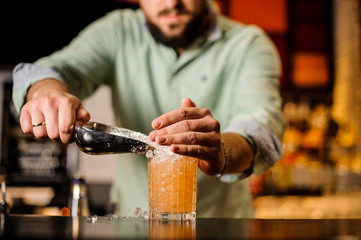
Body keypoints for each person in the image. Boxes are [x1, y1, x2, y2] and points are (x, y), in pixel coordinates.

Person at [12, 0, 285, 218]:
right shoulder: (117, 30)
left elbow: (260, 127)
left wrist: (222, 152)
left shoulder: (248, 44)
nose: (171, 3)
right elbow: (58, 69)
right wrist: (47, 90)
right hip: (131, 225)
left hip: (222, 227)